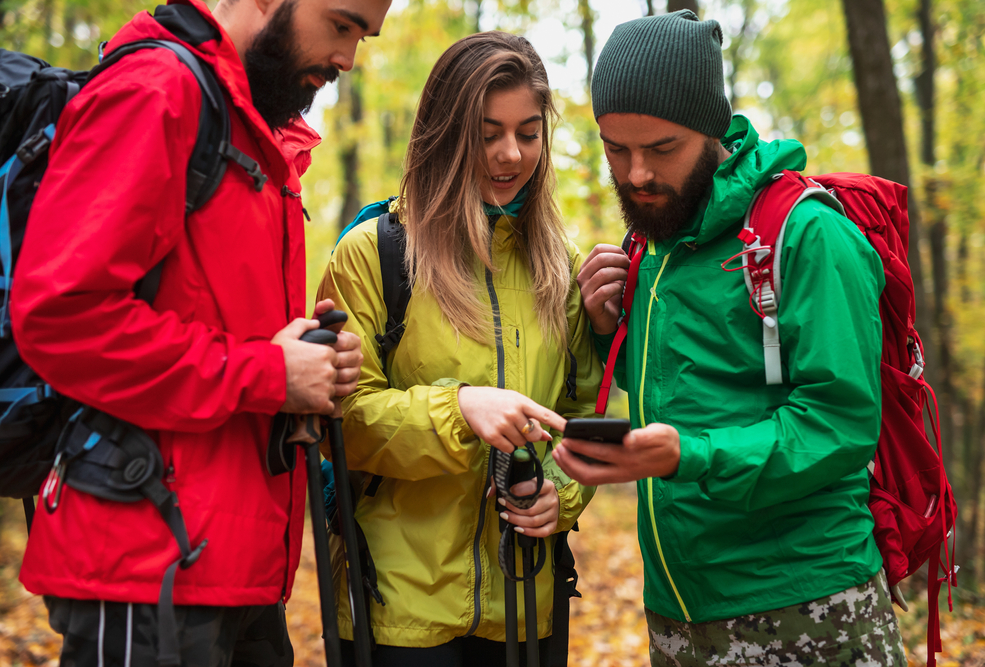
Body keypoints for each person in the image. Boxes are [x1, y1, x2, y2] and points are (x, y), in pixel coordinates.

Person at [9, 0, 390, 664]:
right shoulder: (155, 95)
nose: (348, 58)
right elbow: (62, 314)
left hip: (225, 563)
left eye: (363, 34)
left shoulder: (249, 127)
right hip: (144, 566)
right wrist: (270, 373)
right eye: (341, 24)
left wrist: (307, 360)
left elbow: (213, 319)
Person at [552, 10, 906, 667]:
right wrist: (611, 335)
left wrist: (690, 454)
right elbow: (693, 384)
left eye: (661, 149)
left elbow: (840, 422)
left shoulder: (805, 235)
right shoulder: (656, 244)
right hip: (680, 610)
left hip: (807, 606)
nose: (634, 175)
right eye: (614, 148)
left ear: (713, 129)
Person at [316, 30, 600, 667]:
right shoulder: (375, 253)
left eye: (528, 133)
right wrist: (460, 408)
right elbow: (344, 422)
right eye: (487, 132)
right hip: (395, 610)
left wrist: (561, 492)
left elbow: (588, 410)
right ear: (444, 132)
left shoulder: (563, 267)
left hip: (528, 604)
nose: (510, 154)